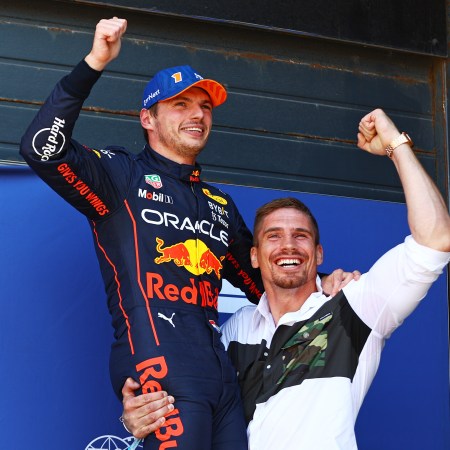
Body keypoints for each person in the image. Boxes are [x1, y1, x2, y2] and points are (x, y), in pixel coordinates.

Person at [19, 17, 353, 450]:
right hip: (163, 375)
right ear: (148, 118)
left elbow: (266, 285)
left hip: (223, 381)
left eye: (205, 106)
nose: (197, 114)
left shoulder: (218, 205)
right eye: (180, 104)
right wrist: (95, 62)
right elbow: (41, 148)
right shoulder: (120, 177)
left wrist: (324, 285)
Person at [120, 108, 450, 449]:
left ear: (319, 254)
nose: (288, 246)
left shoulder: (355, 309)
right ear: (253, 256)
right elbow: (190, 400)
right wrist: (136, 416)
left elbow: (436, 238)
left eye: (300, 236)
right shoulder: (235, 330)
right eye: (274, 236)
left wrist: (395, 144)